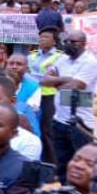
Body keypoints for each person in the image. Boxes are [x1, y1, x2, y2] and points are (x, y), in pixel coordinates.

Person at [39, 30, 97, 173]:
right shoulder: (62, 59)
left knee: (83, 163)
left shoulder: (90, 62)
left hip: (80, 122)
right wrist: (67, 79)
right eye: (66, 41)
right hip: (59, 119)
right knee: (62, 164)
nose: (68, 44)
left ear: (83, 44)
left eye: (73, 42)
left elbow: (77, 85)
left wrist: (57, 82)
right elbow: (44, 80)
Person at [27, 28, 65, 165]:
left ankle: (51, 163)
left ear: (54, 41)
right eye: (41, 36)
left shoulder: (60, 57)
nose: (42, 39)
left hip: (49, 96)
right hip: (32, 95)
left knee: (47, 129)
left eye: (46, 37)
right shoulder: (32, 55)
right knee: (32, 126)